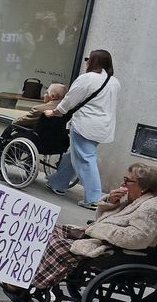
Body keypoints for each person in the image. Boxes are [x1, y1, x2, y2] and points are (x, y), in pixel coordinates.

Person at [4, 163, 157, 301]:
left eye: (127, 181)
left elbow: (137, 238)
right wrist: (111, 202)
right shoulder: (137, 199)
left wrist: (98, 230)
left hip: (118, 250)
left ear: (144, 187)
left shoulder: (154, 207)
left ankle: (26, 285)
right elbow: (106, 218)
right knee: (45, 230)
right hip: (101, 237)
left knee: (57, 244)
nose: (123, 184)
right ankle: (21, 274)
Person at [47, 50, 119, 208]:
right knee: (75, 153)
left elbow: (69, 100)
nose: (86, 61)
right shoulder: (114, 82)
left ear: (93, 61)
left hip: (85, 124)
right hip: (103, 127)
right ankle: (58, 182)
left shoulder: (87, 79)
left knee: (86, 159)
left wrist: (54, 112)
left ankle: (93, 198)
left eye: (88, 59)